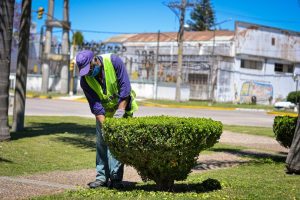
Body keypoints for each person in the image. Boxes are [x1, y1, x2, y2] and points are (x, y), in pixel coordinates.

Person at [75, 50, 138, 189]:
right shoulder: (85, 80)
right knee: (102, 144)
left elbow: (125, 90)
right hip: (104, 113)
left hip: (123, 108)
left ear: (95, 60)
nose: (88, 73)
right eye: (85, 71)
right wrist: (106, 127)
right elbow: (96, 106)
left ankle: (116, 179)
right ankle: (102, 178)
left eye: (89, 69)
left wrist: (117, 118)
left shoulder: (114, 61)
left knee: (116, 144)